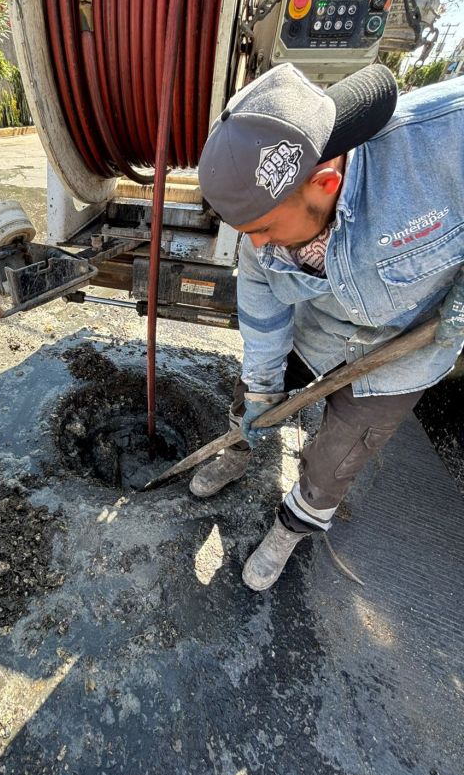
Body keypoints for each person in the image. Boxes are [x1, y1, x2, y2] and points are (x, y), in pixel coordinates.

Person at [195, 62, 464, 592]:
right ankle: (237, 449)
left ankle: (290, 529)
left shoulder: (444, 143)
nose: (256, 245)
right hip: (319, 324)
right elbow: (263, 314)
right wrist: (262, 390)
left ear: (324, 183)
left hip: (403, 348)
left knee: (338, 458)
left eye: (264, 228)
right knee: (252, 395)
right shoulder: (263, 231)